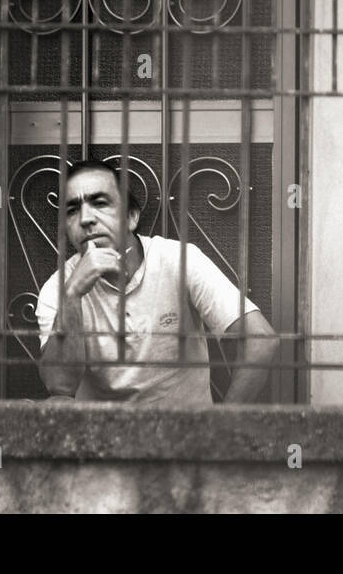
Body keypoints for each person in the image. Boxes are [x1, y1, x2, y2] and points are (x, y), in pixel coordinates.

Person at [35, 159, 279, 404]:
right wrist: (74, 293)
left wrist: (219, 428)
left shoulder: (178, 259)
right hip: (105, 436)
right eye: (72, 210)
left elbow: (261, 340)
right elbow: (60, 386)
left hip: (183, 434)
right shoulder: (58, 288)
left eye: (100, 203)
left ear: (131, 217)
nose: (85, 219)